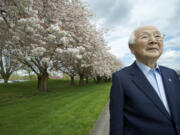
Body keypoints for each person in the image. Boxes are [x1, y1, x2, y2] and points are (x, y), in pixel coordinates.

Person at [109, 26, 180, 135]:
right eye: (145, 36)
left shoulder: (171, 74)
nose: (153, 41)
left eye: (158, 36)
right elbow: (116, 125)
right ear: (132, 48)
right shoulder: (121, 78)